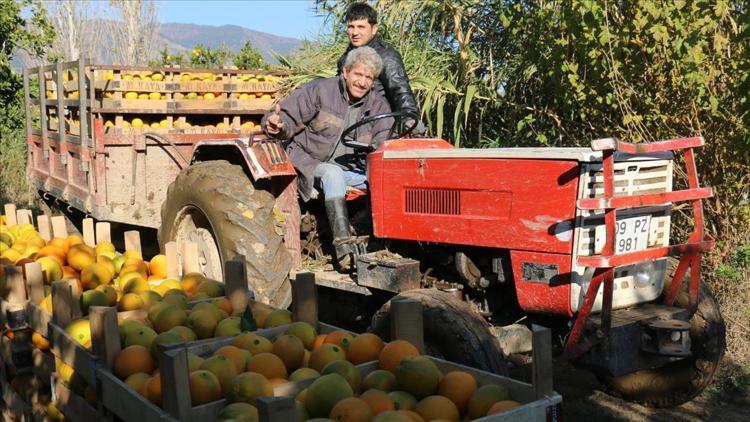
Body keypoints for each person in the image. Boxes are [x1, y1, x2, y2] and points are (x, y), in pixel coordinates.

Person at [261, 46, 393, 270]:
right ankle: (345, 252)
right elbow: (286, 116)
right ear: (345, 72)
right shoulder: (320, 90)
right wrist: (277, 125)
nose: (362, 82)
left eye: (368, 78)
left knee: (382, 179)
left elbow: (384, 139)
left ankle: (376, 242)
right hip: (307, 160)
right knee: (333, 174)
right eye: (358, 74)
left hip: (350, 169)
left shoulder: (379, 106)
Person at [337, 2, 424, 134]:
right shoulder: (345, 58)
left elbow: (400, 91)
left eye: (361, 27)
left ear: (374, 29)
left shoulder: (386, 56)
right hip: (348, 127)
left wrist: (412, 122)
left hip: (378, 127)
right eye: (351, 27)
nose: (355, 32)